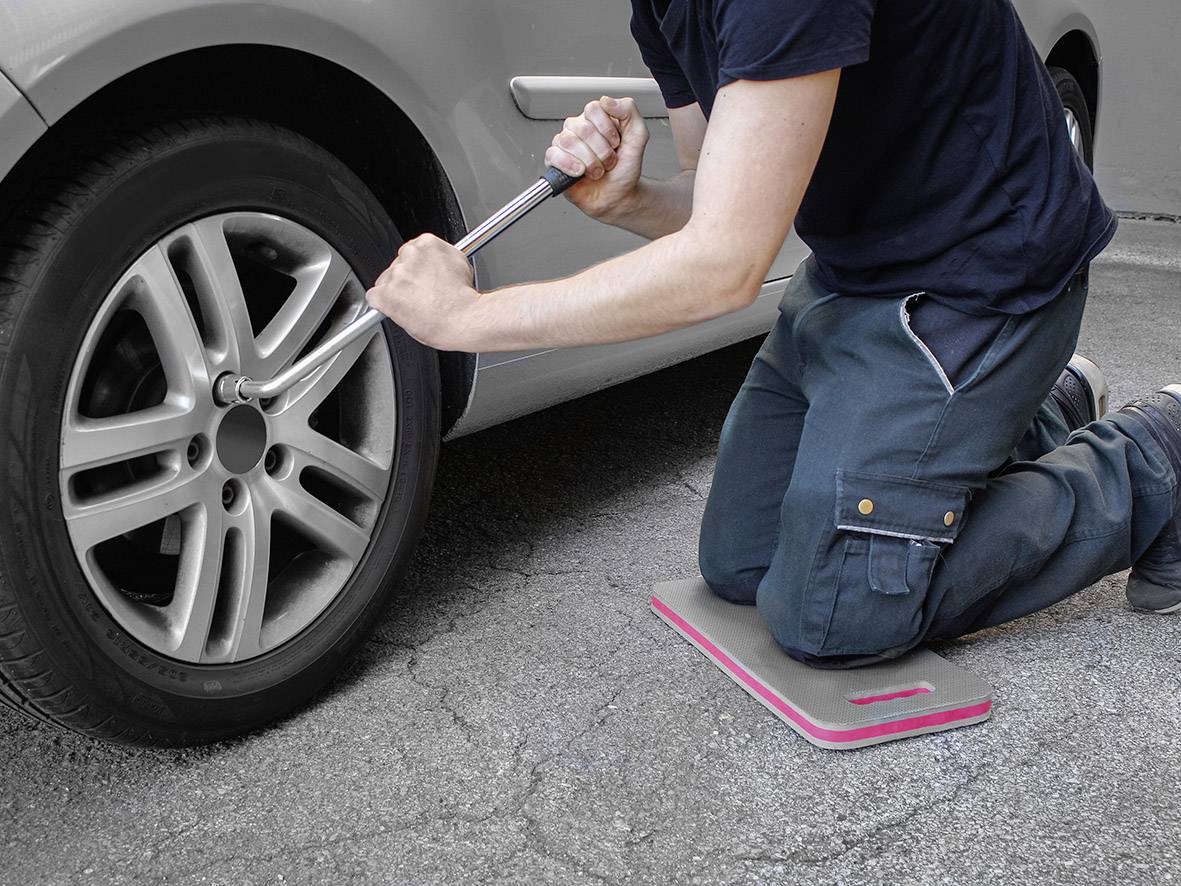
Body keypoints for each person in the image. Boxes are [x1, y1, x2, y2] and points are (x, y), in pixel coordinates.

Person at [366, 0, 1181, 667]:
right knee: (742, 567)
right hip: (853, 280)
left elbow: (723, 267)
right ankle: (1041, 407)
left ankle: (1157, 458)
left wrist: (467, 320)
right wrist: (631, 201)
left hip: (982, 282)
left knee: (831, 615)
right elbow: (717, 200)